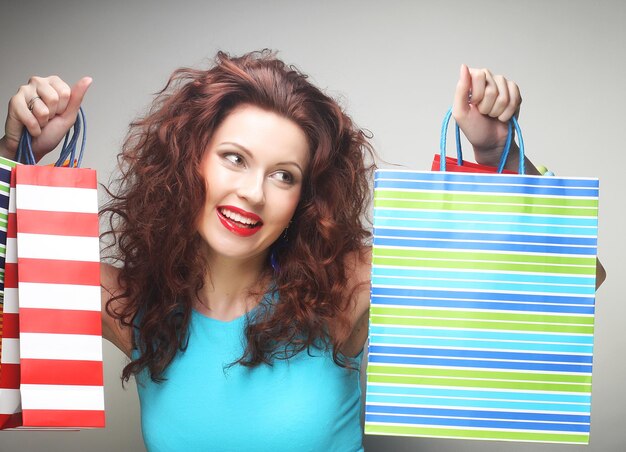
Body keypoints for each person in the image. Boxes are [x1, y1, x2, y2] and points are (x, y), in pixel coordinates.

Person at [0, 50, 605, 451]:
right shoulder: (139, 303)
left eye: (284, 175)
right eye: (234, 159)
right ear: (191, 163)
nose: (253, 193)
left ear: (304, 199)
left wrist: (498, 158)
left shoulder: (341, 294)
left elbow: (570, 276)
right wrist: (15, 150)